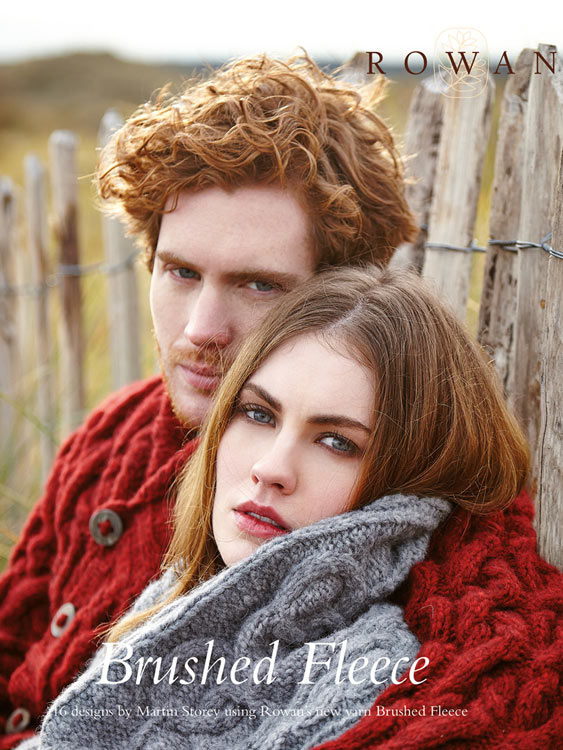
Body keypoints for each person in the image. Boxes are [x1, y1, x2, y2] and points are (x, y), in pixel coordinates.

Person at [0, 54, 417, 747]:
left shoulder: (368, 475)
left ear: (339, 297)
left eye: (258, 284)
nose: (200, 330)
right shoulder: (114, 434)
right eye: (182, 272)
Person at [22, 268, 562, 750]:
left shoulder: (368, 678)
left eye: (337, 442)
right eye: (258, 414)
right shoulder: (179, 598)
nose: (271, 468)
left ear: (409, 483)